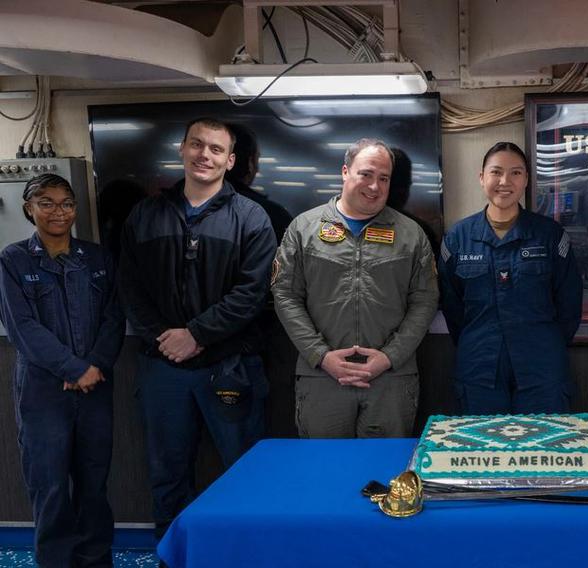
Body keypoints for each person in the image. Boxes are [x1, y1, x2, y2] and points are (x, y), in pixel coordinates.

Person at [118, 117, 276, 538]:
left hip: (230, 365)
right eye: (197, 145)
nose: (204, 155)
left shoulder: (252, 218)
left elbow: (253, 292)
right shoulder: (146, 214)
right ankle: (174, 556)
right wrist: (163, 337)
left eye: (216, 149)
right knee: (166, 475)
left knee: (246, 471)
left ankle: (247, 555)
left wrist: (197, 334)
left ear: (230, 161)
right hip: (162, 366)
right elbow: (129, 286)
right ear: (183, 149)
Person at [272, 138, 437, 438]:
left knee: (386, 474)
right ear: (345, 172)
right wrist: (321, 355)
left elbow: (425, 301)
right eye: (366, 174)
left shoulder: (412, 235)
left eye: (384, 178)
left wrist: (388, 357)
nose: (375, 186)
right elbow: (285, 295)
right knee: (324, 471)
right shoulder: (304, 228)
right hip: (322, 378)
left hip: (391, 379)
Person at [0, 174, 124, 566]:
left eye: (67, 203)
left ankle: (96, 560)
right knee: (50, 487)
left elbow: (113, 317)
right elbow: (23, 328)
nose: (59, 212)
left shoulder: (97, 258)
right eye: (47, 203)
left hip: (95, 389)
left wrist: (95, 366)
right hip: (43, 393)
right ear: (29, 208)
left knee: (93, 486)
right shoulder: (13, 260)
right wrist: (73, 367)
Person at [438, 142, 582, 414]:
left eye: (516, 173)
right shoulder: (458, 238)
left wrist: (541, 344)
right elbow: (453, 307)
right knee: (485, 450)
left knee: (542, 450)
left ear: (526, 180)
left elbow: (569, 304)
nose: (505, 181)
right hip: (479, 368)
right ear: (482, 178)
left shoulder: (550, 235)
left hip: (542, 369)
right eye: (496, 172)